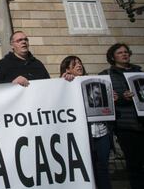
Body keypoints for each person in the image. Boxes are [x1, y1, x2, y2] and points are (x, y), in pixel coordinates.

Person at [60, 55, 112, 189]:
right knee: (88, 168)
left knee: (103, 168)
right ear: (67, 69)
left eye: (80, 63)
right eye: (74, 64)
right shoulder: (63, 85)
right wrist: (63, 84)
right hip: (82, 134)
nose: (79, 65)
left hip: (102, 132)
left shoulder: (94, 82)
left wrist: (111, 98)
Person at [100, 43, 143, 189]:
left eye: (126, 52)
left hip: (142, 121)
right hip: (126, 125)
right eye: (120, 53)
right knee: (134, 164)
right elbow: (103, 100)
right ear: (113, 57)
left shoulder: (139, 72)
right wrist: (120, 98)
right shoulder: (106, 75)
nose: (124, 54)